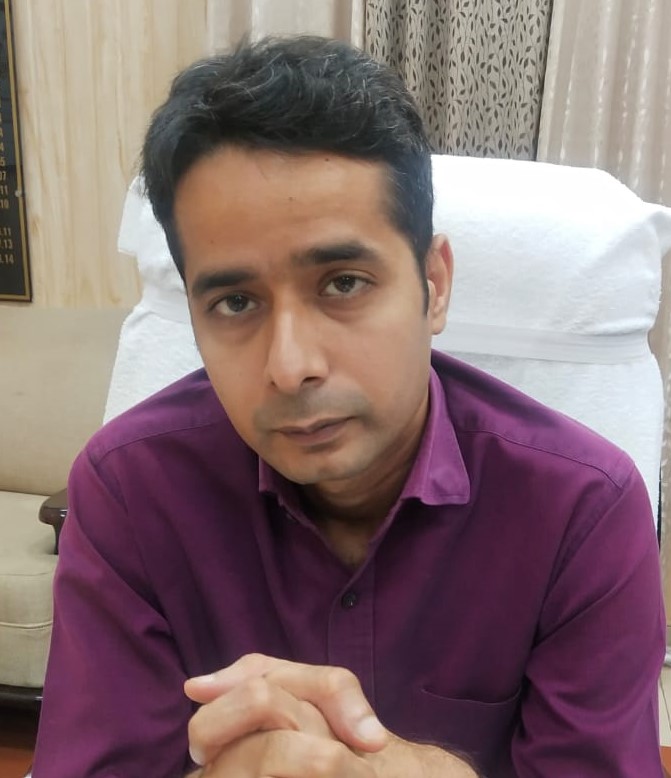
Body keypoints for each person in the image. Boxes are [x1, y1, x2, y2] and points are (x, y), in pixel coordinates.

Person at [32, 35, 665, 778]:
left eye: (342, 283)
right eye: (235, 302)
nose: (291, 366)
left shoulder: (581, 511)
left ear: (433, 285)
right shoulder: (130, 491)